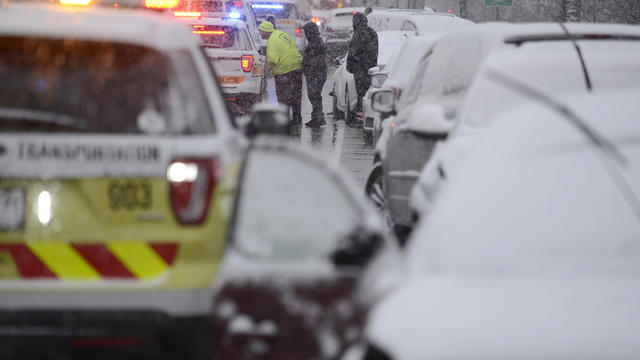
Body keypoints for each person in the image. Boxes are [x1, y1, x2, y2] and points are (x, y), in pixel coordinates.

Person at [259, 20, 303, 124]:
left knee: (283, 97)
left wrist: (266, 71)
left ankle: (285, 119)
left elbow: (272, 60)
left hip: (285, 69)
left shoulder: (271, 41)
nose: (260, 34)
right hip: (297, 66)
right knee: (296, 95)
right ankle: (297, 118)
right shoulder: (282, 34)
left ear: (266, 31)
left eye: (261, 31)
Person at [346, 12, 378, 126]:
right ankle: (365, 117)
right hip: (370, 68)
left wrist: (350, 65)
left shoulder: (359, 34)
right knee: (366, 93)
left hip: (360, 68)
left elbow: (353, 52)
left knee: (361, 94)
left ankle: (360, 118)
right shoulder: (372, 33)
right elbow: (374, 52)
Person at [302, 22, 327, 128]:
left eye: (306, 32)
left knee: (314, 95)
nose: (305, 34)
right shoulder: (315, 41)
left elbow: (315, 60)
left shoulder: (314, 43)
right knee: (315, 95)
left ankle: (318, 118)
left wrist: (306, 66)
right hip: (317, 73)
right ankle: (317, 117)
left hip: (315, 74)